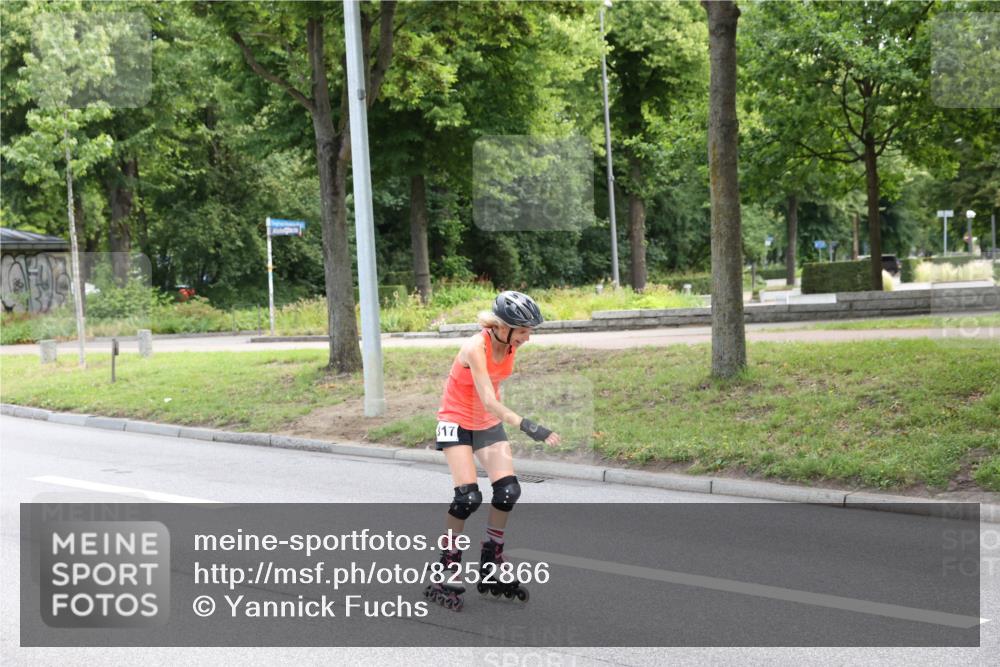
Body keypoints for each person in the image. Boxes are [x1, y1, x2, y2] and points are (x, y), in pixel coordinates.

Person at [423, 291, 560, 611]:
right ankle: (448, 564)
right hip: (456, 421)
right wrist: (528, 425)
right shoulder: (474, 347)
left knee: (508, 491)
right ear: (502, 326)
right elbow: (488, 398)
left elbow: (489, 404)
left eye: (530, 331)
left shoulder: (510, 345)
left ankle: (491, 562)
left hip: (485, 424)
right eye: (523, 331)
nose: (527, 338)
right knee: (468, 497)